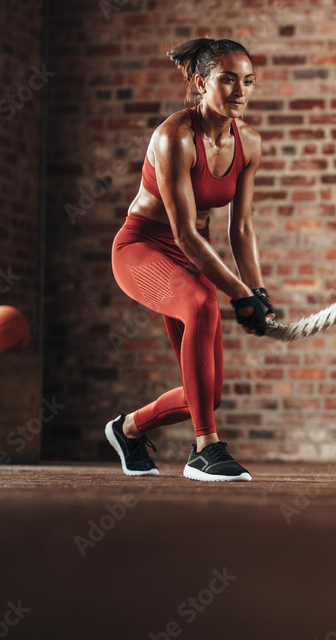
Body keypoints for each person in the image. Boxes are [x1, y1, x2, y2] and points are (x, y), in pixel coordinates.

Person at [105, 38, 274, 482]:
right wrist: (238, 294)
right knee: (202, 301)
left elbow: (240, 230)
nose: (240, 91)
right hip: (142, 249)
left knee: (207, 394)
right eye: (228, 79)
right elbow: (182, 233)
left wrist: (257, 292)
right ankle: (205, 449)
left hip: (191, 255)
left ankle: (128, 429)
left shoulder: (250, 144)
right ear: (201, 83)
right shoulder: (174, 137)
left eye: (249, 81)